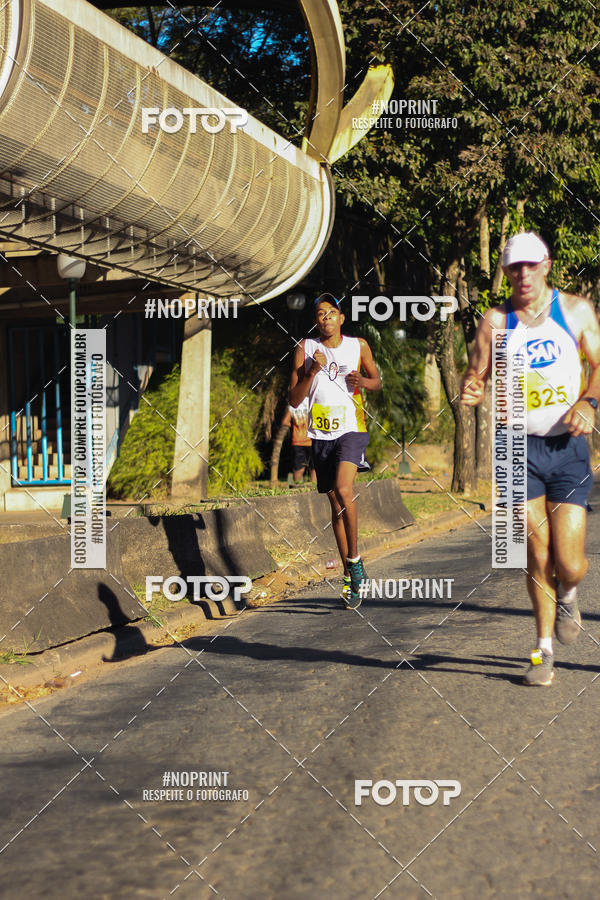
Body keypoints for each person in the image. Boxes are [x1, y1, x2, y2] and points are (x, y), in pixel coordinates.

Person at [461, 231, 600, 685]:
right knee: (535, 553)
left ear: (546, 265)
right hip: (516, 450)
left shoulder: (575, 311)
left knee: (569, 563)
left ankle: (570, 592)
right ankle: (543, 653)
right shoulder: (495, 321)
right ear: (505, 272)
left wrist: (588, 402)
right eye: (514, 267)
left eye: (530, 265)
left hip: (567, 448)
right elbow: (476, 372)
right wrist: (472, 387)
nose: (523, 274)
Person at [289, 293, 381, 608]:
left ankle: (354, 562)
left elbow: (377, 381)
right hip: (320, 435)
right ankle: (349, 576)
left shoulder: (358, 346)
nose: (326, 317)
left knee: (344, 490)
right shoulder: (305, 348)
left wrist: (363, 382)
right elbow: (294, 399)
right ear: (316, 321)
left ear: (341, 318)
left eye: (332, 312)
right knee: (335, 506)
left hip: (352, 429)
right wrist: (312, 372)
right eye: (320, 313)